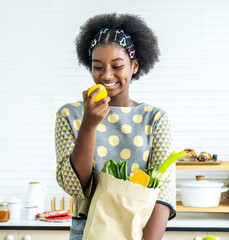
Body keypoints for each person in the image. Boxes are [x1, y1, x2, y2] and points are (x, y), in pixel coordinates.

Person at [55, 13, 176, 240]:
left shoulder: (156, 119)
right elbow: (74, 185)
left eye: (117, 65)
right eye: (97, 66)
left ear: (134, 66)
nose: (106, 75)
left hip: (141, 228)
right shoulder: (70, 115)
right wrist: (89, 126)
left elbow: (164, 195)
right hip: (88, 227)